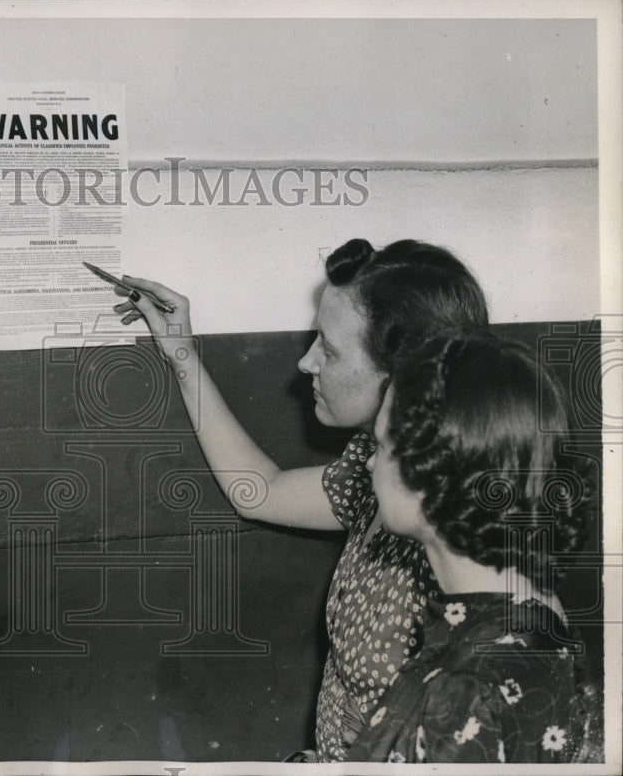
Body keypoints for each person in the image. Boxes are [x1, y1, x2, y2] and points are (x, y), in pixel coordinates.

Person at [114, 238, 489, 760]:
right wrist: (180, 349)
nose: (306, 362)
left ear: (406, 375)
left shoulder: (463, 544)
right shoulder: (374, 467)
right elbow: (260, 492)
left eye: (329, 349)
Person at [345, 333, 592, 763]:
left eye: (382, 445)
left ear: (431, 472)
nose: (369, 462)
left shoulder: (465, 690)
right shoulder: (534, 607)